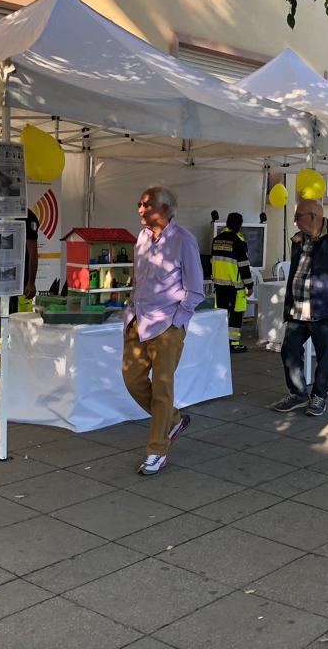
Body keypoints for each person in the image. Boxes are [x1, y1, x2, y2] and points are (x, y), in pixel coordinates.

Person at [122, 187, 204, 476]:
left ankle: (157, 450)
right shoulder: (142, 238)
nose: (140, 210)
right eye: (140, 204)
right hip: (138, 320)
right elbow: (138, 277)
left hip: (166, 324)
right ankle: (173, 420)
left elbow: (196, 290)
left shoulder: (184, 240)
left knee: (162, 388)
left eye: (147, 205)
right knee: (132, 380)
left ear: (166, 209)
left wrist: (176, 321)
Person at [272, 198, 328, 417]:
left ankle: (319, 396)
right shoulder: (298, 240)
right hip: (298, 309)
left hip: (324, 310)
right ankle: (298, 393)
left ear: (313, 217)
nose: (295, 221)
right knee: (289, 350)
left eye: (297, 217)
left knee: (324, 355)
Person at [0, 208, 39, 378]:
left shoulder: (27, 216)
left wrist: (31, 282)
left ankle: (17, 364)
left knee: (17, 325)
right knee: (0, 324)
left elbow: (32, 251)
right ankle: (4, 362)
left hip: (19, 284)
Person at [211, 212, 254, 353]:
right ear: (239, 225)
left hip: (219, 285)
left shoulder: (216, 240)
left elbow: (212, 261)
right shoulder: (238, 241)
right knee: (236, 314)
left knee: (221, 314)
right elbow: (244, 266)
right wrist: (249, 285)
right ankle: (233, 343)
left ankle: (219, 342)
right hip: (235, 286)